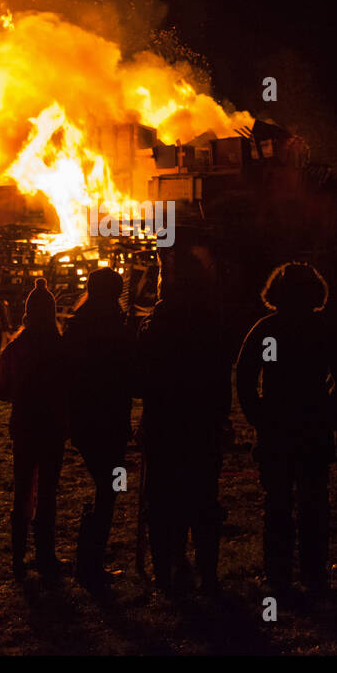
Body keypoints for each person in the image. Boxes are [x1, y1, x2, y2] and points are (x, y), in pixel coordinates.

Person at [235, 262, 337, 591]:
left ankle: (279, 574)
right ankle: (314, 574)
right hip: (311, 426)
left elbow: (245, 377)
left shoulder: (267, 329)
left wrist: (259, 415)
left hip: (278, 426)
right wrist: (328, 409)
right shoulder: (323, 328)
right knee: (313, 503)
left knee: (278, 503)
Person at [137, 240, 230, 595]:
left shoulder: (155, 326)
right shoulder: (211, 324)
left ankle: (167, 569)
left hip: (165, 424)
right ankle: (207, 572)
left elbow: (139, 379)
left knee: (162, 499)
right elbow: (221, 376)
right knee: (204, 497)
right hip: (202, 423)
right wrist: (221, 417)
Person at [63, 268, 135, 590]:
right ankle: (90, 564)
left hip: (83, 419)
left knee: (106, 487)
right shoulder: (116, 328)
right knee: (109, 488)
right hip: (108, 418)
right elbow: (131, 376)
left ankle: (89, 561)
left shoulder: (77, 324)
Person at [0, 278, 69, 580]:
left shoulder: (16, 347)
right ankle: (45, 554)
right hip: (53, 427)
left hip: (24, 425)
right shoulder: (61, 347)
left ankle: (18, 556)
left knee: (23, 489)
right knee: (48, 491)